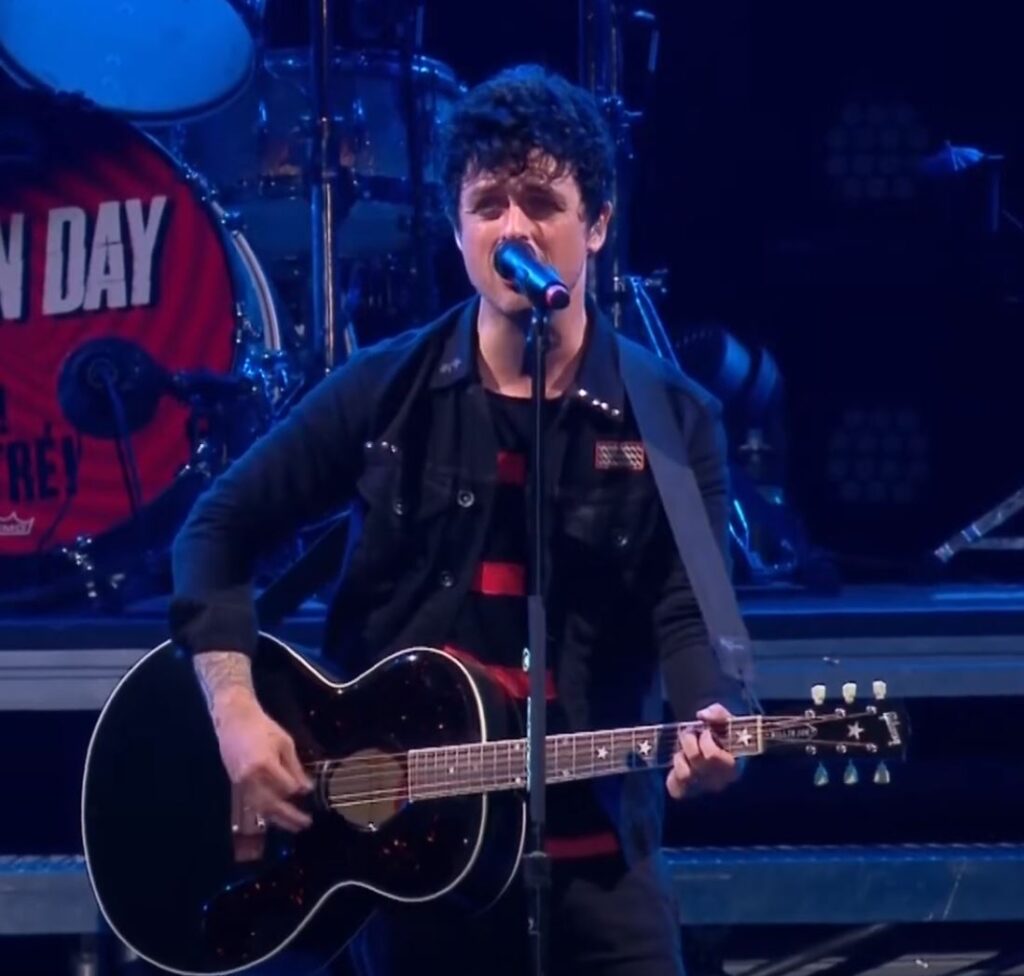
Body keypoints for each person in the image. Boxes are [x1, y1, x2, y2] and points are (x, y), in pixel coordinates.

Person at [170, 63, 746, 976]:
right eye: (488, 206)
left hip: (596, 855)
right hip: (406, 853)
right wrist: (236, 710)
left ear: (596, 225)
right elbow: (216, 529)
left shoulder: (670, 420)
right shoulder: (385, 392)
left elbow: (692, 610)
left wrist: (715, 714)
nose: (514, 226)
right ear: (457, 229)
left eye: (541, 201)